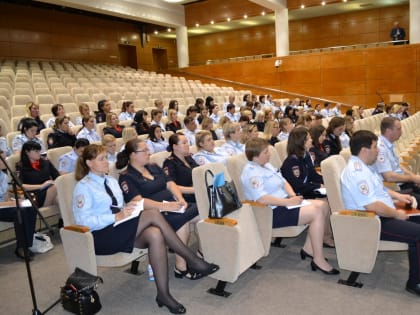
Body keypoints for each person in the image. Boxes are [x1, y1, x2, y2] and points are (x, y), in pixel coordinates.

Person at [73, 144, 218, 314]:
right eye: (101, 159)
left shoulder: (110, 181)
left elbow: (119, 206)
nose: (106, 162)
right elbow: (83, 221)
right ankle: (192, 259)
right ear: (89, 163)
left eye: (106, 157)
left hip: (119, 227)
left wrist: (127, 210)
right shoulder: (83, 187)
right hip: (101, 236)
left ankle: (164, 295)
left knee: (155, 234)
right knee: (152, 214)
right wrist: (115, 217)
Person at [241, 138, 339, 275]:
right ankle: (318, 259)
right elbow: (262, 199)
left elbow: (284, 181)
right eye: (265, 152)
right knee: (315, 213)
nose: (269, 154)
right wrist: (289, 202)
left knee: (323, 205)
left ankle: (309, 249)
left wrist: (293, 196)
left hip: (285, 203)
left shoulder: (266, 165)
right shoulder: (251, 172)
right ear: (255, 156)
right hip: (271, 212)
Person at [341, 130, 420, 296]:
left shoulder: (365, 167)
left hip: (383, 213)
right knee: (418, 235)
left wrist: (399, 196)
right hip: (372, 222)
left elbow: (380, 189)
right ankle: (415, 283)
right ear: (364, 150)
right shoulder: (356, 173)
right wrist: (396, 213)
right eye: (375, 147)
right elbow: (372, 206)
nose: (378, 150)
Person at [116, 139, 204, 281]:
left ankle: (201, 254)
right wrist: (166, 206)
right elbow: (138, 201)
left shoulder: (153, 167)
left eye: (147, 149)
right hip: (154, 214)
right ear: (132, 155)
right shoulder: (127, 177)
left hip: (172, 206)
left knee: (202, 215)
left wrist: (180, 198)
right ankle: (181, 266)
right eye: (144, 151)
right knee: (182, 222)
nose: (148, 153)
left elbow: (170, 183)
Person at [280, 128, 334, 247]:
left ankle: (329, 233)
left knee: (330, 195)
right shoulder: (291, 162)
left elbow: (312, 175)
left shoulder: (306, 155)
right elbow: (298, 186)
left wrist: (329, 182)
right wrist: (318, 186)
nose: (311, 140)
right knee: (325, 201)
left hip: (306, 189)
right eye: (309, 138)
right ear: (301, 142)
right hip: (296, 194)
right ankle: (325, 237)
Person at [374, 117, 420, 208]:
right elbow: (389, 177)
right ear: (388, 131)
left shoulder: (389, 144)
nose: (401, 132)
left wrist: (414, 177)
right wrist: (413, 179)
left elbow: (399, 167)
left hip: (404, 182)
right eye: (398, 129)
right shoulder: (381, 148)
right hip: (397, 187)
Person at [0, 150, 37, 260]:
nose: (4, 161)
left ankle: (27, 244)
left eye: (5, 158)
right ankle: (21, 247)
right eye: (1, 159)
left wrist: (15, 199)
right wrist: (12, 203)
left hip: (4, 206)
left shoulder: (4, 176)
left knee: (30, 207)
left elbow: (6, 195)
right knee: (19, 212)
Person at [18, 141, 58, 208]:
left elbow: (57, 177)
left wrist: (51, 183)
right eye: (36, 151)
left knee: (59, 199)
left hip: (49, 190)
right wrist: (41, 186)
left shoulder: (46, 162)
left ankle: (44, 215)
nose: (39, 153)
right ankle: (42, 211)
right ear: (27, 152)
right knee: (55, 188)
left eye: (39, 151)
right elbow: (20, 186)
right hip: (34, 193)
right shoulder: (21, 166)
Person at [163, 133, 198, 203]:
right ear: (175, 146)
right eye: (184, 143)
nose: (187, 145)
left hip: (198, 190)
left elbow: (199, 172)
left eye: (187, 142)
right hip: (186, 196)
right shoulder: (169, 163)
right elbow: (170, 186)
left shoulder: (189, 158)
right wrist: (194, 190)